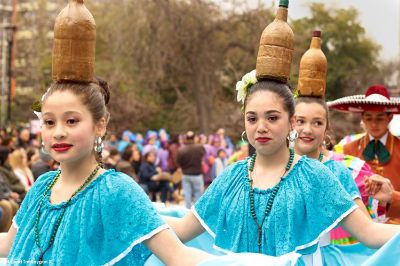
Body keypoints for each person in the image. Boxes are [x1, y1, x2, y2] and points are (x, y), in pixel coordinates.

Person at [164, 72, 400, 263]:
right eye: (252, 118)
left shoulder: (314, 175)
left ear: (291, 122)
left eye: (273, 118)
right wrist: (135, 207)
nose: (261, 127)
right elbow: (183, 230)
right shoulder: (231, 177)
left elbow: (369, 233)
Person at [0, 81, 211, 265]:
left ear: (100, 125)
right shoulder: (42, 186)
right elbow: (10, 244)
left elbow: (177, 257)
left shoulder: (115, 190)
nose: (58, 132)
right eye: (49, 122)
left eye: (71, 121)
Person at [328, 84, 400, 224]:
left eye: (379, 118)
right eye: (369, 118)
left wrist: (392, 197)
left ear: (390, 118)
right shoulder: (345, 150)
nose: (374, 124)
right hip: (357, 230)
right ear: (362, 118)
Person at [176, 131, 206, 208]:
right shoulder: (199, 147)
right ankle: (197, 212)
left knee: (187, 194)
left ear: (186, 138)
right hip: (197, 174)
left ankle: (187, 211)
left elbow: (178, 162)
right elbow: (204, 156)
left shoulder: (181, 149)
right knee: (198, 195)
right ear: (194, 138)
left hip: (186, 174)